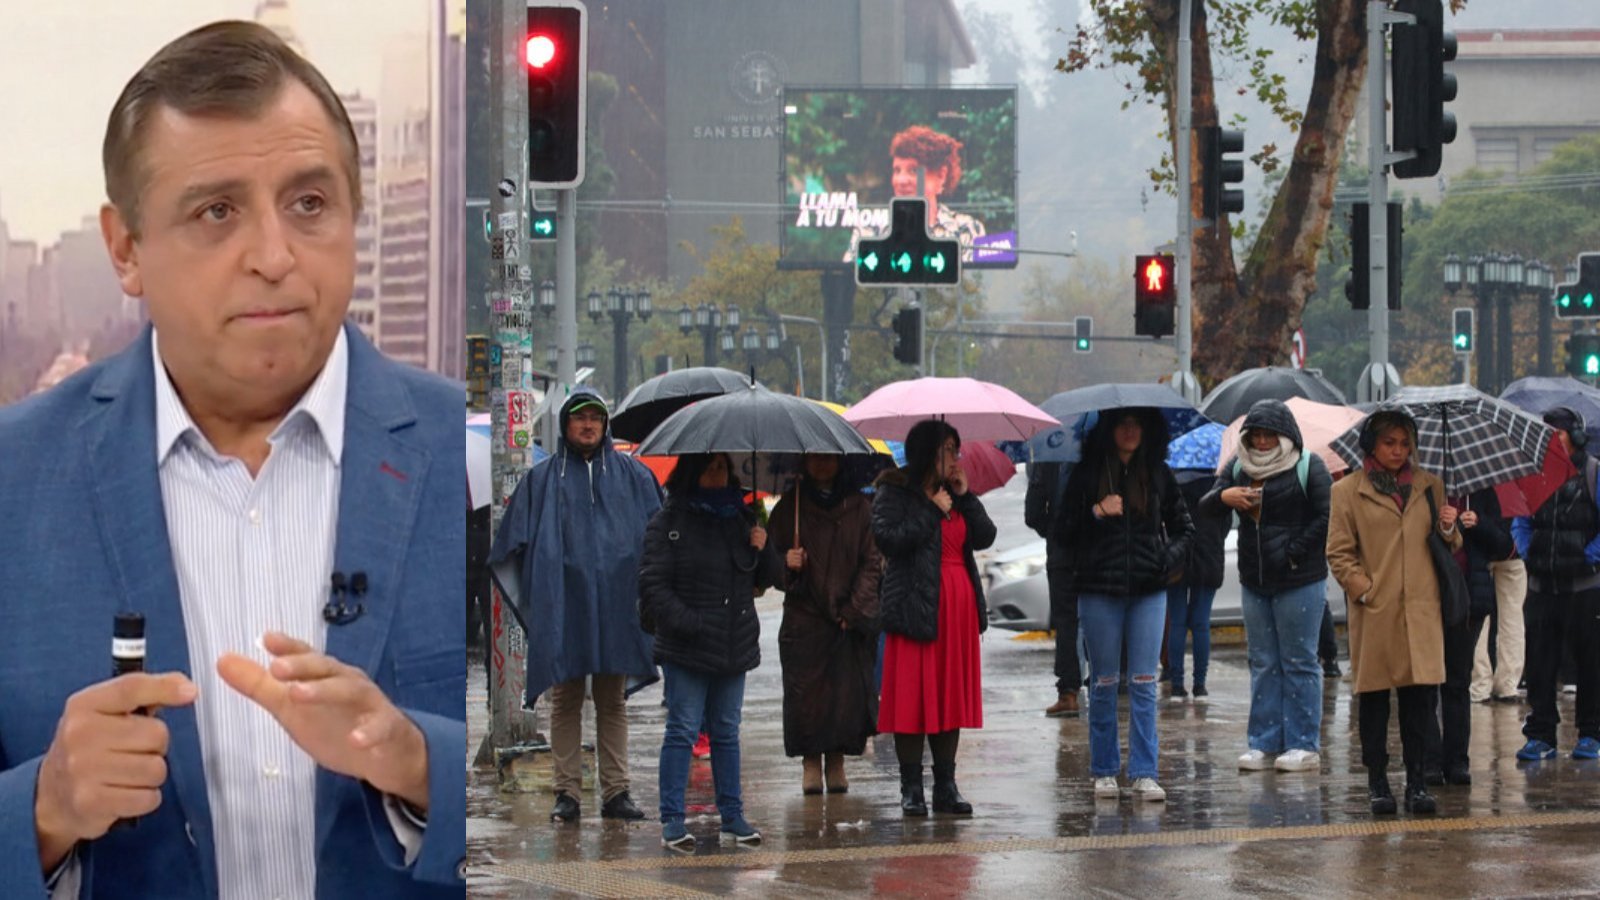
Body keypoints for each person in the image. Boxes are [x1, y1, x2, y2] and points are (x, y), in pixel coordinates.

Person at [0, 22, 463, 897]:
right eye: (217, 212)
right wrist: (44, 809)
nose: (276, 257)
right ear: (126, 248)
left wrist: (420, 764)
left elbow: (572, 787)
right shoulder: (13, 482)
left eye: (309, 204)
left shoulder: (469, 461)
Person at [489, 390, 662, 824]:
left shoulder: (632, 476)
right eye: (580, 418)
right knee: (565, 698)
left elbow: (658, 534)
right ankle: (566, 793)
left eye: (595, 418)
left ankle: (617, 792)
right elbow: (513, 542)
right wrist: (539, 589)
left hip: (617, 603)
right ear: (566, 425)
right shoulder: (542, 479)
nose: (587, 425)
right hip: (563, 602)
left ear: (605, 427)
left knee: (612, 699)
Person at [638, 453, 780, 852]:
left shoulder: (743, 518)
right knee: (682, 730)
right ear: (693, 472)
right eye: (709, 467)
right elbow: (652, 585)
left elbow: (768, 577)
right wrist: (691, 624)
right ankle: (672, 819)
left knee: (726, 732)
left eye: (722, 467)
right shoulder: (668, 522)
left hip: (734, 644)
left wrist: (764, 547)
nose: (717, 474)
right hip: (688, 647)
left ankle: (732, 816)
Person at [1054, 408, 1193, 802]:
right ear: (1109, 430)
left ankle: (1145, 772)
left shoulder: (1159, 474)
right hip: (1098, 591)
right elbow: (1062, 530)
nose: (1131, 431)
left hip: (1149, 591)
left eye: (1138, 423)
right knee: (1103, 682)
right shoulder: (1086, 474)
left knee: (1145, 682)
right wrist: (1097, 511)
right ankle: (1104, 771)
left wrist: (1165, 558)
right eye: (1123, 423)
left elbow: (1185, 529)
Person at [1326, 410, 1459, 816]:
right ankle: (1378, 782)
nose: (1399, 451)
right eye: (1390, 443)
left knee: (1420, 703)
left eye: (1405, 443)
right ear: (1372, 445)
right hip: (1377, 612)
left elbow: (1445, 549)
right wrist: (1365, 591)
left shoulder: (1430, 486)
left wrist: (1450, 528)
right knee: (1375, 703)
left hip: (1421, 611)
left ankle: (1417, 783)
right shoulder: (1347, 491)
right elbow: (1339, 552)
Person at [873, 420, 995, 817]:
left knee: (949, 697)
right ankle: (911, 787)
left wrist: (966, 496)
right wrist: (929, 509)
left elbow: (985, 536)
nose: (955, 458)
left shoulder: (956, 494)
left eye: (956, 450)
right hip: (913, 606)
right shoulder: (895, 490)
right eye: (947, 450)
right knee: (912, 698)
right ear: (927, 451)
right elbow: (888, 540)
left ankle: (946, 784)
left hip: (956, 609)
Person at [1203, 400, 1331, 774]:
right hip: (1254, 580)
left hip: (1300, 580)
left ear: (1286, 436)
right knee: (1263, 662)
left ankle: (1303, 743)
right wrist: (1224, 497)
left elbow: (1326, 517)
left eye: (1269, 435)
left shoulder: (1309, 466)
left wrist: (1292, 552)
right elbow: (1207, 505)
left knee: (1299, 661)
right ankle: (1263, 742)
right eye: (1255, 434)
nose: (1261, 442)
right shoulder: (1239, 467)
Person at [768, 454, 882, 795]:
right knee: (806, 696)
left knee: (845, 697)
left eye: (828, 458)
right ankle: (809, 762)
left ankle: (837, 761)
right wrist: (787, 562)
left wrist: (853, 609)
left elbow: (872, 563)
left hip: (847, 620)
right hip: (804, 618)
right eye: (814, 458)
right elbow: (768, 564)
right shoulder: (791, 507)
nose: (821, 464)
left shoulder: (860, 508)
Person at [1509, 407, 1600, 762]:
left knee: (1590, 664)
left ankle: (1591, 732)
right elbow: (1520, 519)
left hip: (1585, 588)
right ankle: (1541, 733)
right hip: (1542, 587)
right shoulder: (1532, 473)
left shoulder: (1593, 473)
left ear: (1574, 436)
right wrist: (1528, 549)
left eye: (1557, 433)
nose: (1550, 441)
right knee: (1540, 665)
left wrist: (1586, 556)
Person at [1424, 486, 1511, 785]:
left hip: (1470, 599)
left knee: (1458, 681)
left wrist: (1479, 523)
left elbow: (1503, 545)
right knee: (1425, 683)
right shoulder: (1422, 490)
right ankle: (1430, 762)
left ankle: (1457, 761)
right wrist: (1442, 524)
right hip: (1429, 598)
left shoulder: (1482, 492)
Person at [844, 124, 987, 264]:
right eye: (897, 170)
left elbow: (976, 284)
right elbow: (851, 284)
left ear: (941, 176)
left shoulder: (967, 229)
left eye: (913, 170)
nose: (901, 180)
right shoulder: (869, 229)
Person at [1025, 459, 1083, 717]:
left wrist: (1054, 530)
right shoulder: (1100, 447)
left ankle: (1068, 692)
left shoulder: (1046, 455)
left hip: (1061, 556)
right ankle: (1110, 681)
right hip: (1100, 552)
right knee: (1102, 616)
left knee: (1067, 622)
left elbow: (1033, 513)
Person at [1168, 468, 1230, 702]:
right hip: (1209, 555)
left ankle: (1176, 685)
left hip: (1177, 557)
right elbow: (1224, 526)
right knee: (1201, 623)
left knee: (1177, 622)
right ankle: (1200, 685)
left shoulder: (1172, 483)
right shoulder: (1217, 486)